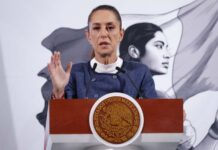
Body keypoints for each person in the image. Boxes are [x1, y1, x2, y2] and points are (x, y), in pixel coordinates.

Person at [48, 5, 157, 100]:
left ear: (121, 34)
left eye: (110, 27)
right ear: (89, 36)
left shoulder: (139, 73)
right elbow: (64, 119)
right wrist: (59, 91)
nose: (103, 34)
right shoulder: (75, 74)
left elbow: (154, 115)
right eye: (96, 28)